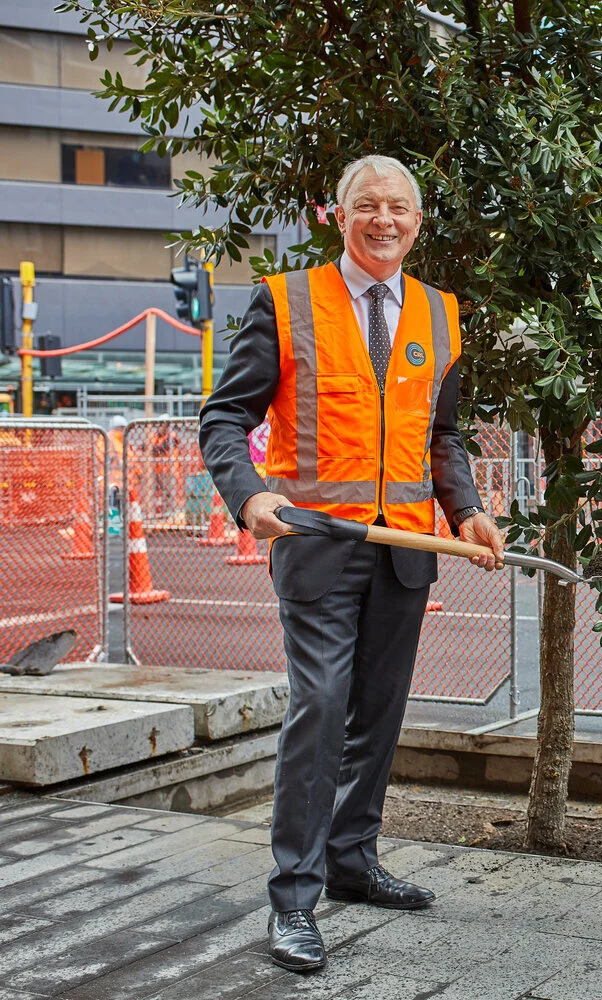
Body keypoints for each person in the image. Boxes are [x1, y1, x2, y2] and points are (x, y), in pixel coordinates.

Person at [199, 154, 505, 973]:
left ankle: (353, 862)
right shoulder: (286, 299)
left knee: (378, 712)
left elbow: (442, 437)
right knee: (321, 707)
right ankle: (293, 899)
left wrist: (467, 510)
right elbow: (226, 418)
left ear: (417, 219)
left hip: (406, 549)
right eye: (367, 206)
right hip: (317, 545)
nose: (384, 220)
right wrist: (249, 497)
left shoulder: (441, 313)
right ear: (339, 216)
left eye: (399, 208)